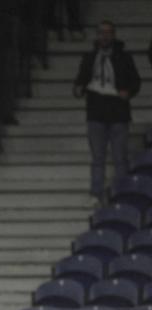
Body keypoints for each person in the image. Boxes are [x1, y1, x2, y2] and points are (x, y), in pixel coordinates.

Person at [73, 20, 140, 207]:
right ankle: (96, 193)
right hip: (96, 114)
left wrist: (128, 93)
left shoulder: (124, 57)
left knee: (120, 158)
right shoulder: (89, 57)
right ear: (97, 35)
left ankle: (123, 194)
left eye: (108, 32)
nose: (105, 36)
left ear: (114, 34)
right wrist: (77, 89)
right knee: (98, 159)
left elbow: (136, 82)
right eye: (101, 32)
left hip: (118, 113)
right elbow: (80, 80)